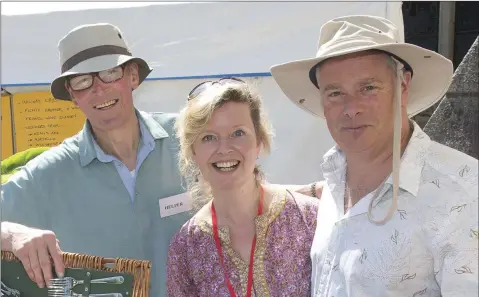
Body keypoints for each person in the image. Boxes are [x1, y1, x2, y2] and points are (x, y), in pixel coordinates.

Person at [1, 23, 320, 296]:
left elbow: (239, 179)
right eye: (83, 82)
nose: (99, 89)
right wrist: (14, 236)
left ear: (132, 76)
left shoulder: (190, 137)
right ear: (73, 94)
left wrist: (308, 193)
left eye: (110, 73)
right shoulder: (50, 173)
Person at [270, 15, 478, 296]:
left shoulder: (464, 195)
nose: (351, 108)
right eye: (335, 93)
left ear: (403, 87)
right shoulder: (334, 183)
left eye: (368, 88)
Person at [166, 78, 320, 296]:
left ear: (259, 141)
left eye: (238, 133)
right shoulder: (186, 246)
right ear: (193, 151)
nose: (224, 148)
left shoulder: (309, 217)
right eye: (209, 137)